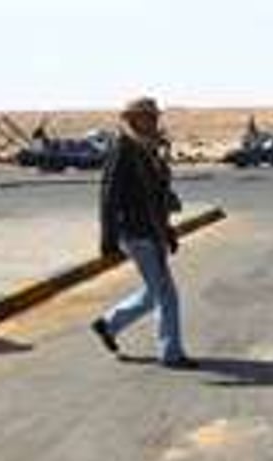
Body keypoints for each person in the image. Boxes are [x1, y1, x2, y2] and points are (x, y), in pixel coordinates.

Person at [91, 97, 195, 370]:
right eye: (146, 117)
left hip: (153, 229)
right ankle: (170, 353)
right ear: (132, 118)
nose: (153, 121)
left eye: (154, 116)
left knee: (154, 292)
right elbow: (108, 196)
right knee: (167, 294)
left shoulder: (148, 149)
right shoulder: (123, 148)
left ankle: (108, 324)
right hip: (136, 232)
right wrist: (108, 240)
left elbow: (156, 194)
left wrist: (168, 230)